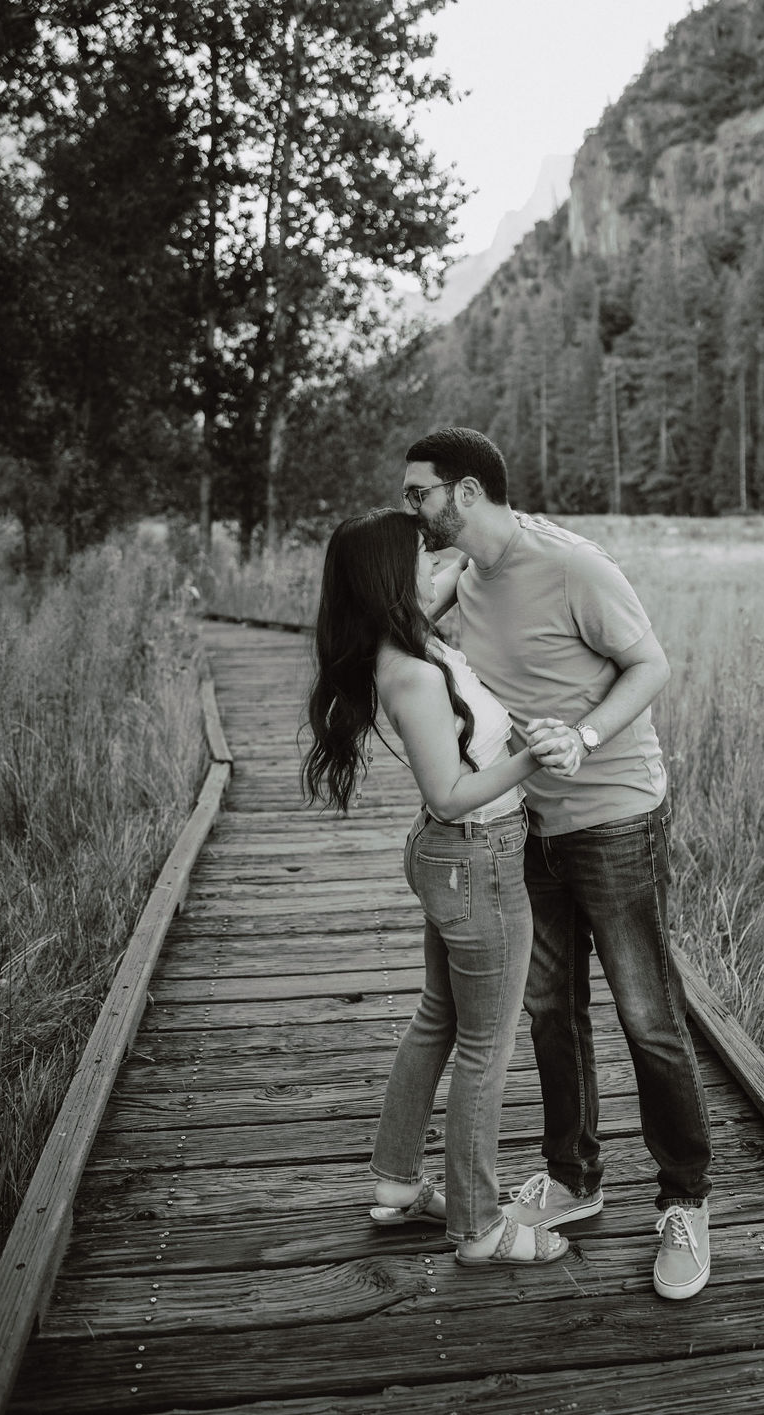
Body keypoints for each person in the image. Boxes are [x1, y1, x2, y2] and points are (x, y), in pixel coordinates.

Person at [403, 428, 714, 1300]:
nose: (412, 508)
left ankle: (686, 1199)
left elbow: (651, 664)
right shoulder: (464, 575)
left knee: (648, 1012)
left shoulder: (574, 566)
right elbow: (400, 629)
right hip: (526, 823)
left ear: (464, 492)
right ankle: (576, 1177)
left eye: (419, 492)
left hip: (615, 814)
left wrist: (581, 735)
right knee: (548, 1006)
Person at [301, 508, 574, 1268]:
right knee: (486, 1049)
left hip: (458, 858)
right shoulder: (412, 672)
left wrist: (507, 526)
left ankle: (395, 1185)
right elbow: (451, 792)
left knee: (438, 1020)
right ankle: (481, 1228)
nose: (439, 562)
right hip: (473, 852)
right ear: (394, 580)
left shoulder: (413, 634)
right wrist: (535, 755)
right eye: (422, 557)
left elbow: (461, 563)